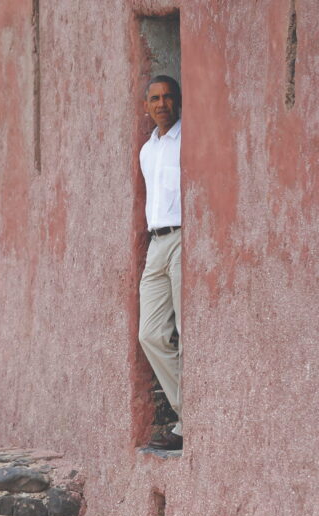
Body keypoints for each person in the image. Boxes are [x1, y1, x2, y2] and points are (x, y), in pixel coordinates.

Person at [138, 75, 183, 450]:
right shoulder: (146, 150)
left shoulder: (188, 139)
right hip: (156, 243)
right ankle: (188, 409)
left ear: (177, 100)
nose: (162, 103)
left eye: (168, 97)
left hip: (184, 237)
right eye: (155, 98)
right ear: (147, 106)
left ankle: (188, 423)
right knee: (150, 334)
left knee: (186, 330)